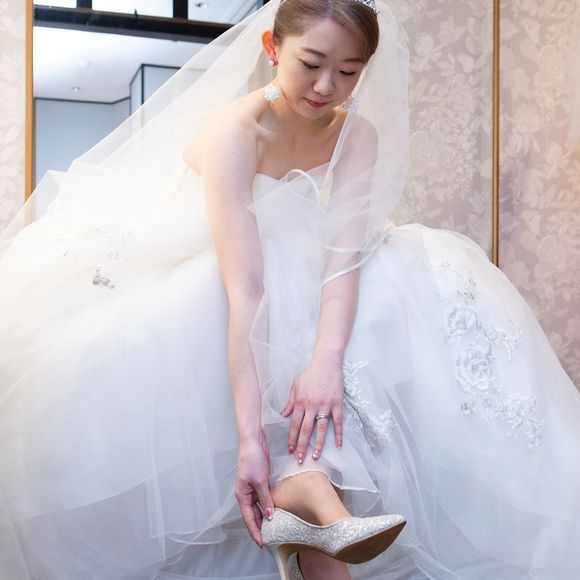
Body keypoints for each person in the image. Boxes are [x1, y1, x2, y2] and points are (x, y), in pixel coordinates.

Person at [0, 1, 579, 579]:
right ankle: (306, 489)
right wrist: (250, 439)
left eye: (348, 71)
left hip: (302, 269)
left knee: (408, 292)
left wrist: (326, 363)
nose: (327, 86)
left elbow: (343, 260)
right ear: (272, 49)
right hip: (221, 274)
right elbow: (246, 289)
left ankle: (311, 495)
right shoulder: (236, 130)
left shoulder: (356, 132)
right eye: (312, 63)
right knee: (270, 304)